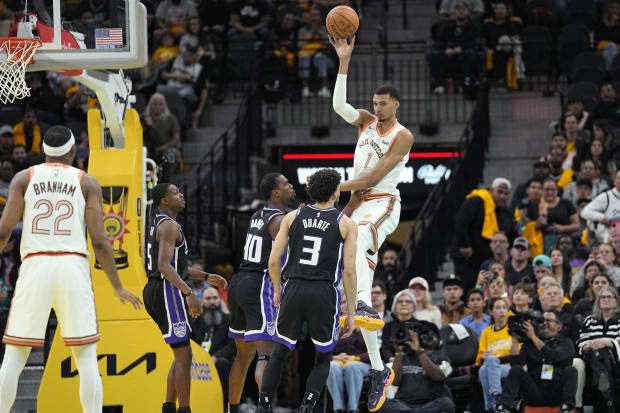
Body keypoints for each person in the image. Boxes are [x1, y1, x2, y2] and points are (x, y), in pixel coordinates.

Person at [0, 126, 143, 413]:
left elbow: (3, 233)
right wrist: (117, 286)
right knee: (86, 357)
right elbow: (101, 243)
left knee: (14, 357)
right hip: (72, 265)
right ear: (73, 150)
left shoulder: (22, 178)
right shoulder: (86, 182)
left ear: (42, 150)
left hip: (35, 264)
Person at [330, 35, 415, 412]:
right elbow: (337, 105)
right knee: (347, 270)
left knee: (361, 235)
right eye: (374, 104)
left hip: (383, 203)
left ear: (396, 104)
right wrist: (343, 61)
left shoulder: (402, 135)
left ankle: (362, 303)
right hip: (358, 204)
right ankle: (380, 369)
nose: (376, 109)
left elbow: (369, 180)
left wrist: (331, 186)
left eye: (383, 104)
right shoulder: (364, 122)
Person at [257, 169, 358, 413]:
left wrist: (278, 291)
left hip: (293, 287)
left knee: (279, 352)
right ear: (336, 192)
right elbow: (349, 272)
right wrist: (352, 313)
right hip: (324, 293)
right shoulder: (346, 224)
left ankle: (264, 405)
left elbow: (273, 261)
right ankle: (307, 406)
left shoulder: (292, 216)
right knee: (322, 357)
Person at [143, 183, 227, 413]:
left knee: (180, 353)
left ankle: (169, 407)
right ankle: (185, 409)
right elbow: (164, 267)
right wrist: (188, 293)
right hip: (165, 289)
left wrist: (208, 276)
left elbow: (178, 267)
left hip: (157, 287)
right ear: (164, 201)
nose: (181, 195)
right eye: (175, 192)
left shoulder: (161, 224)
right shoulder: (169, 226)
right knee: (184, 355)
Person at [226, 173, 295, 413]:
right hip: (258, 285)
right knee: (266, 355)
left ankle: (232, 409)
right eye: (286, 183)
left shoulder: (258, 215)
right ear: (275, 192)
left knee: (242, 358)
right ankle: (265, 409)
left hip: (239, 283)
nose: (291, 186)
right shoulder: (279, 221)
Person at [494, 310, 577, 413]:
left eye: (548, 320)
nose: (544, 323)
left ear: (559, 326)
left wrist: (533, 337)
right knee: (516, 370)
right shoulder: (530, 343)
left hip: (556, 393)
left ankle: (567, 408)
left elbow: (553, 356)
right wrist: (515, 339)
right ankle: (503, 408)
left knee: (571, 370)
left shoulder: (566, 342)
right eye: (542, 321)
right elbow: (516, 363)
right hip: (534, 392)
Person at [451, 177, 514, 293]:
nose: (502, 196)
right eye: (499, 192)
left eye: (506, 193)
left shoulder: (502, 211)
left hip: (482, 258)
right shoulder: (477, 200)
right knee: (468, 288)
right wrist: (465, 244)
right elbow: (461, 221)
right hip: (467, 257)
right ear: (491, 190)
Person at [380, 320, 456, 413]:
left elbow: (439, 377)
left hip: (431, 403)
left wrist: (419, 352)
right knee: (384, 403)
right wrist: (398, 352)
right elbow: (395, 382)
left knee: (447, 403)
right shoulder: (402, 358)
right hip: (405, 404)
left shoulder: (442, 358)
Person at [576, 286, 620, 412]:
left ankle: (603, 384)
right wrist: (591, 345)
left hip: (615, 361)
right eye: (602, 297)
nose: (606, 299)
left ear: (616, 301)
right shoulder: (590, 320)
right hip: (591, 358)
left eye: (609, 297)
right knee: (597, 353)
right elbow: (581, 342)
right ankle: (607, 393)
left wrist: (606, 342)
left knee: (602, 352)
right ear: (598, 301)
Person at [191, 286, 235, 406]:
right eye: (208, 298)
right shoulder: (195, 320)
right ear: (202, 301)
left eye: (215, 298)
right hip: (198, 361)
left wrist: (215, 357)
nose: (212, 302)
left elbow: (232, 346)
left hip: (219, 360)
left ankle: (224, 405)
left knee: (222, 364)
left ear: (220, 299)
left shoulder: (229, 320)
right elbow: (190, 343)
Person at [326, 294, 371, 413]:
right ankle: (338, 408)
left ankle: (352, 409)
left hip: (361, 364)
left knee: (352, 366)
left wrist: (355, 358)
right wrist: (335, 357)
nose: (347, 305)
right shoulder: (331, 326)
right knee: (332, 367)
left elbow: (373, 353)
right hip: (338, 362)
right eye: (343, 302)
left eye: (351, 302)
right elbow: (322, 351)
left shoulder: (366, 325)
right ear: (338, 306)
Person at [477, 297, 515, 412]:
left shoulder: (513, 329)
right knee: (484, 369)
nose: (502, 311)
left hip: (511, 367)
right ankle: (496, 399)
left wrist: (493, 359)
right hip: (493, 367)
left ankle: (491, 404)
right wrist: (484, 356)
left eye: (504, 308)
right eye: (498, 308)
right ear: (491, 312)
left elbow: (517, 356)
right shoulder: (486, 332)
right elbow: (481, 356)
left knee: (489, 365)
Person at [380, 289, 418, 362]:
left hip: (414, 362)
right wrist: (392, 360)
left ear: (413, 307)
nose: (404, 304)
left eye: (408, 301)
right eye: (400, 301)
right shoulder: (388, 326)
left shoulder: (419, 325)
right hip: (392, 362)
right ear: (395, 307)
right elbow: (385, 348)